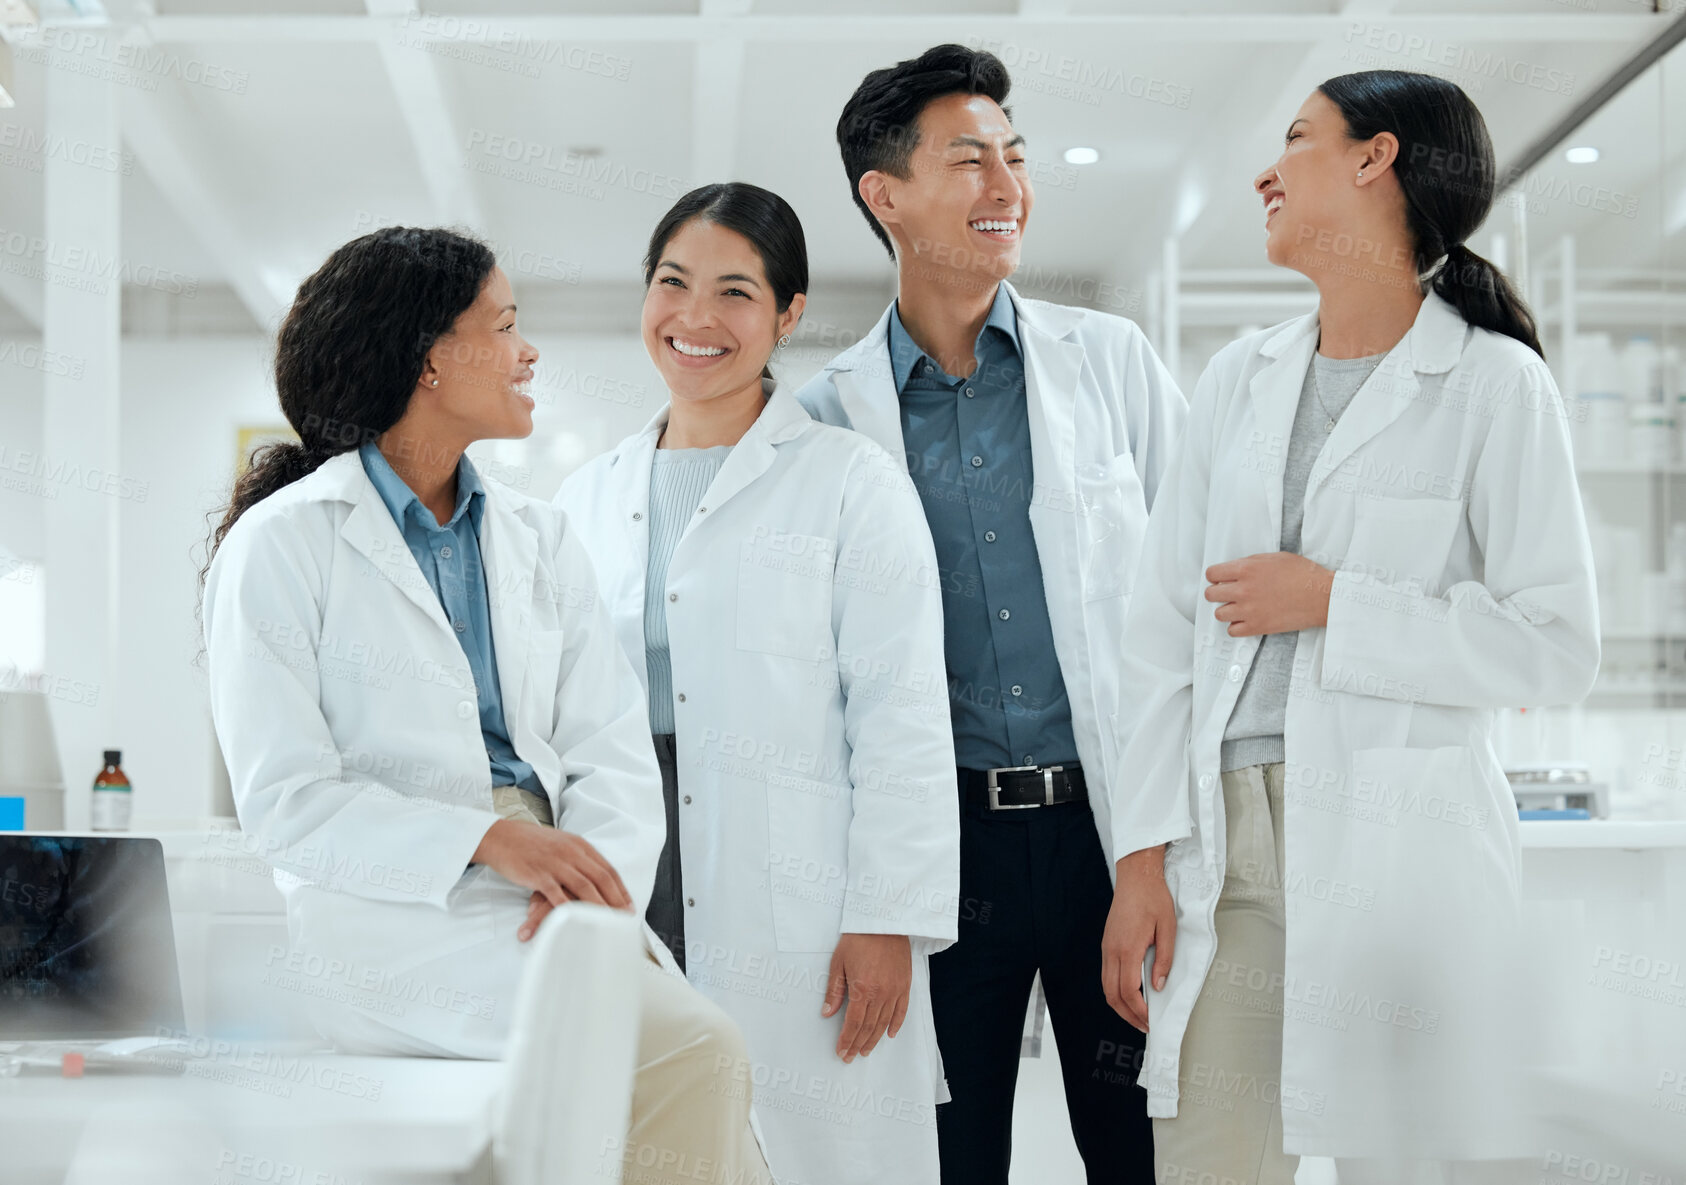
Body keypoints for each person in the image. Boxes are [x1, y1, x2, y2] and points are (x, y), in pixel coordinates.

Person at [1101, 70, 1600, 1185]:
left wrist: (1334, 603)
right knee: (1208, 1164)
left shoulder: (1494, 386)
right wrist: (1139, 862)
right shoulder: (1239, 378)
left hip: (1399, 856)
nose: (1266, 172)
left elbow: (1554, 642)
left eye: (1296, 140)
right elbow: (1160, 634)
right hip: (1222, 854)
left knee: (1415, 1161)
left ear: (1377, 159)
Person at [200, 227, 769, 1185]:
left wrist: (588, 892)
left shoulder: (538, 538)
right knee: (692, 1052)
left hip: (557, 892)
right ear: (429, 359)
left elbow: (611, 753)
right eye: (504, 326)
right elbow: (289, 803)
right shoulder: (283, 545)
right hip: (397, 915)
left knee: (673, 1068)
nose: (528, 350)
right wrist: (491, 840)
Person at [796, 43, 1186, 1185]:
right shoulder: (826, 419)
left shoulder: (1110, 364)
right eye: (970, 160)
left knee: (1136, 1148)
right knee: (945, 1157)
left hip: (1106, 839)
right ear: (885, 195)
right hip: (940, 849)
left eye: (1016, 157)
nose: (1008, 185)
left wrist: (1150, 859)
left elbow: (1185, 619)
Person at [554, 182, 960, 1185]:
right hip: (628, 872)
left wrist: (886, 919)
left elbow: (901, 712)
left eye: (735, 292)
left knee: (810, 1150)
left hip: (802, 894)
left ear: (787, 316)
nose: (695, 318)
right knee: (640, 1142)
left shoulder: (849, 481)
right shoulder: (582, 498)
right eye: (672, 283)